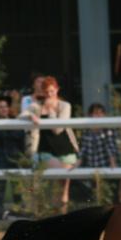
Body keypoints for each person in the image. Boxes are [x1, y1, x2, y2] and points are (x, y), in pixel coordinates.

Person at [25, 76, 79, 209]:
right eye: (47, 92)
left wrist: (50, 113)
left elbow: (58, 129)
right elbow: (22, 114)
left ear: (57, 90)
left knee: (63, 187)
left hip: (65, 149)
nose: (50, 94)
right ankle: (49, 212)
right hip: (46, 150)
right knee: (57, 179)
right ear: (42, 92)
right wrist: (31, 116)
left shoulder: (65, 105)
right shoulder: (36, 106)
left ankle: (61, 215)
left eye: (52, 91)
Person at [73, 102, 121, 205]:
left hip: (108, 167)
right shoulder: (87, 132)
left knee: (112, 197)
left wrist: (113, 164)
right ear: (90, 115)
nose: (99, 115)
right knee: (95, 196)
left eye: (101, 113)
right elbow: (83, 150)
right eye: (96, 113)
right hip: (93, 168)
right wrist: (76, 165)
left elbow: (111, 147)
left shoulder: (108, 130)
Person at [0, 95, 27, 219]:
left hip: (15, 158)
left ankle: (19, 211)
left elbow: (21, 139)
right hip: (0, 158)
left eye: (5, 106)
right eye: (0, 107)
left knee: (17, 187)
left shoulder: (16, 121)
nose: (3, 109)